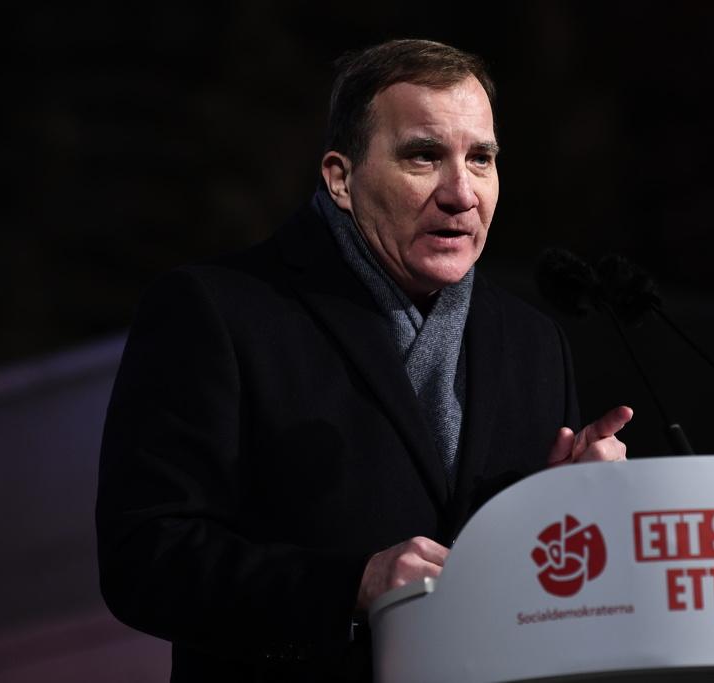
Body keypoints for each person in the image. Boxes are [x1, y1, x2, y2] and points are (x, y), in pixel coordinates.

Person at [96, 39, 632, 682]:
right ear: (340, 179)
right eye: (423, 156)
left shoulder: (533, 342)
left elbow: (535, 585)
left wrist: (563, 511)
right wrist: (351, 585)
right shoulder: (216, 311)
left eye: (481, 159)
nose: (461, 193)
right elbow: (145, 560)